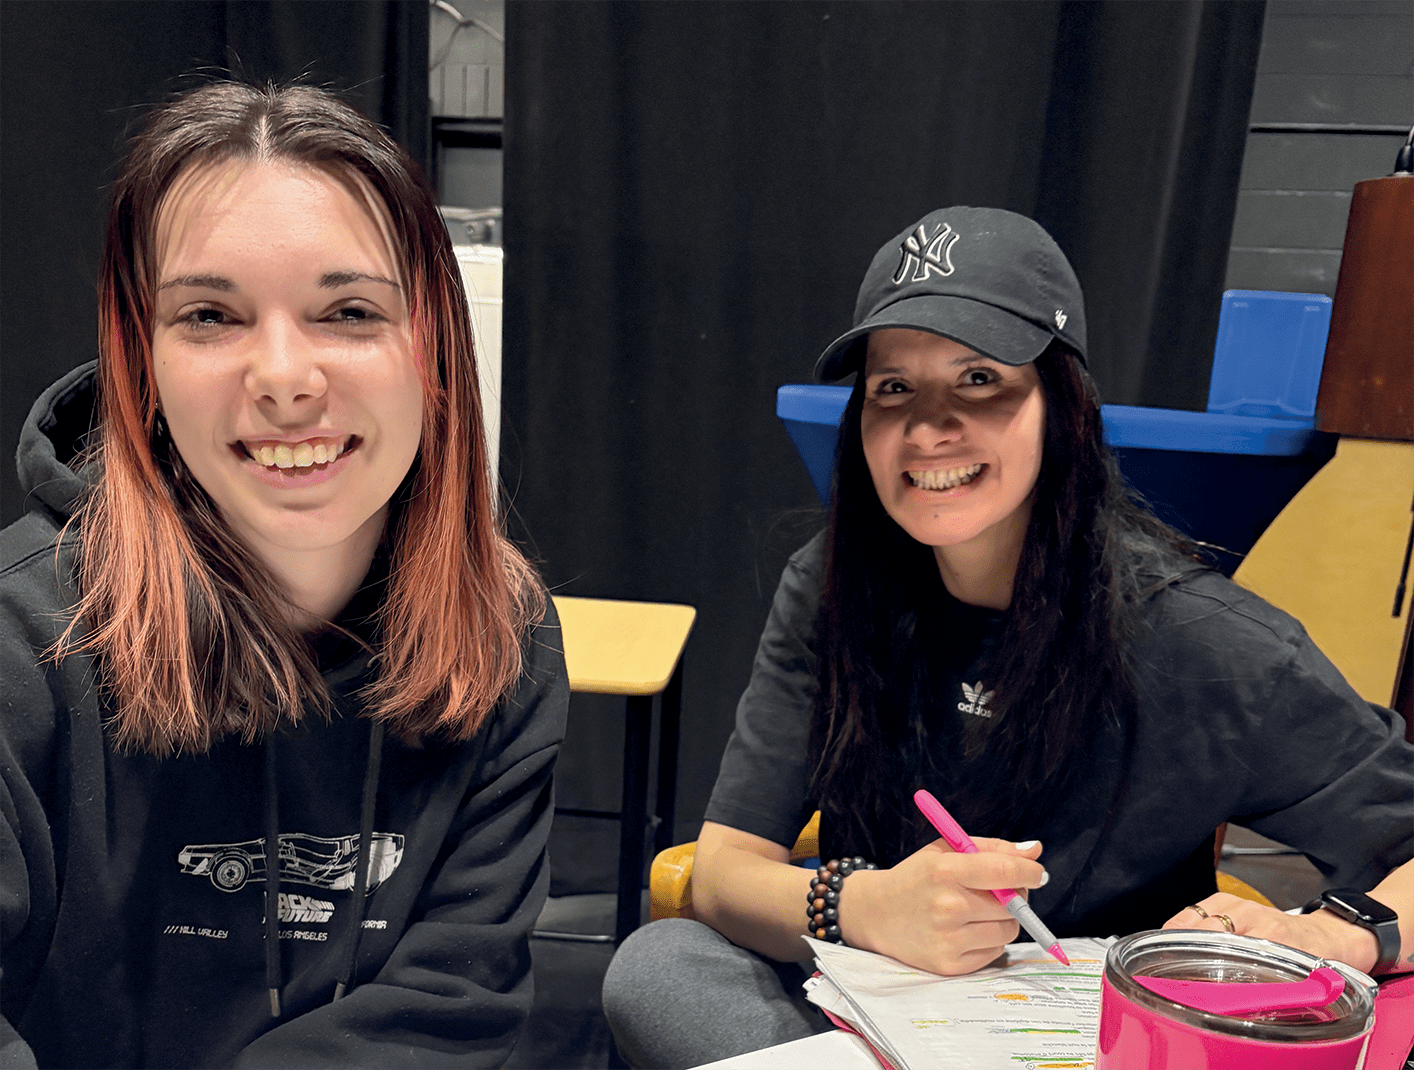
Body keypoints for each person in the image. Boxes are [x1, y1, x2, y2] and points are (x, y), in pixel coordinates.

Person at [601, 206, 1414, 1068]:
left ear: (1060, 407)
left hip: (1096, 1040)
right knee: (658, 968)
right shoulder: (833, 585)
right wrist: (867, 907)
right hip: (867, 1022)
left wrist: (1342, 934)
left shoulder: (1202, 639)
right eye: (893, 388)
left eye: (980, 379)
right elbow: (725, 870)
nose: (927, 425)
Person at [0, 82, 568, 1069]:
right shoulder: (21, 640)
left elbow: (451, 1004)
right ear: (143, 358)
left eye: (347, 310)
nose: (283, 375)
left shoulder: (503, 633)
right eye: (210, 314)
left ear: (432, 345)